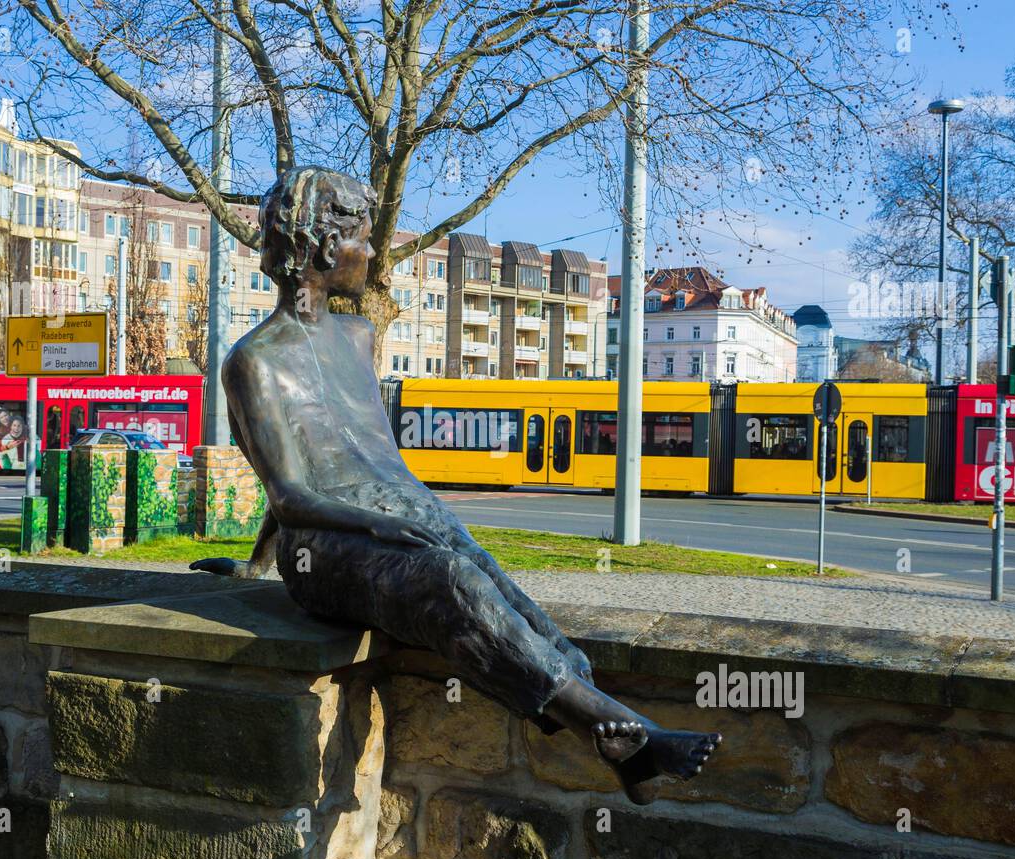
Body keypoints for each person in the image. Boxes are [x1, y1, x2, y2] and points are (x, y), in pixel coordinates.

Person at [193, 166, 720, 804]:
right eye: (362, 236)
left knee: (497, 583)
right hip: (329, 550)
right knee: (454, 583)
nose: (371, 252)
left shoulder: (357, 338)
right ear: (328, 249)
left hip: (404, 516)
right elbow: (289, 494)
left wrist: (395, 518)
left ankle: (619, 739)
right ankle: (627, 737)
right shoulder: (254, 360)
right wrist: (348, 536)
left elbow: (357, 461)